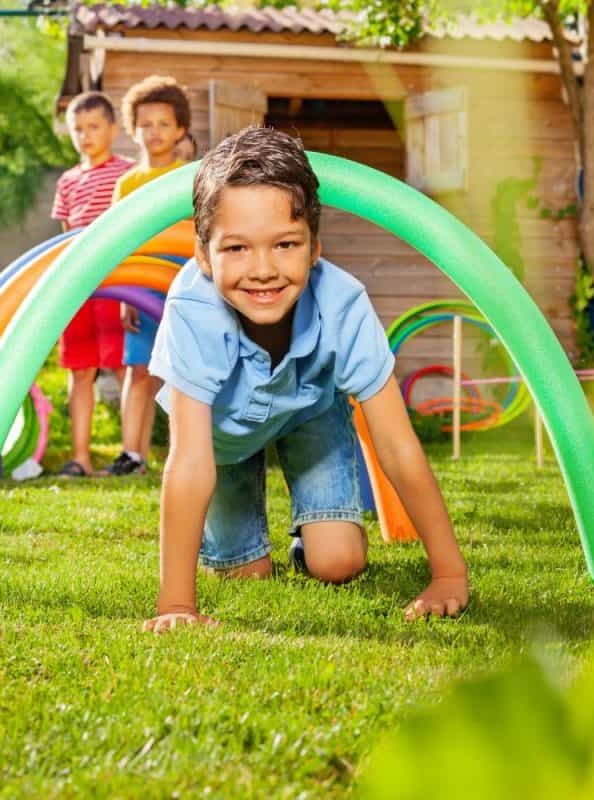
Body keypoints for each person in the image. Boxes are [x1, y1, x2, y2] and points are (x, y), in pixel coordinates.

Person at [142, 127, 470, 632]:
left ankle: (314, 536)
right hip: (221, 439)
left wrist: (449, 574)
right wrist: (176, 605)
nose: (264, 270)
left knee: (337, 564)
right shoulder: (193, 310)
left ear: (315, 246)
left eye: (285, 244)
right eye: (237, 249)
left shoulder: (343, 303)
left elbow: (398, 448)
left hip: (308, 413)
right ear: (203, 255)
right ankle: (239, 545)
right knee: (246, 574)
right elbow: (188, 462)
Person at [101, 76, 192, 477]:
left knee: (181, 373)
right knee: (138, 370)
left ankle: (184, 452)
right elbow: (120, 242)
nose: (154, 133)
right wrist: (126, 296)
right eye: (146, 124)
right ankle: (132, 454)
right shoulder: (128, 184)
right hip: (141, 287)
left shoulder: (189, 178)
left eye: (164, 124)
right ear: (133, 130)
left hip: (182, 287)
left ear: (181, 130)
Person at [51, 92, 134, 477]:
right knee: (81, 371)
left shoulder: (128, 173)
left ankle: (130, 455)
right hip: (79, 286)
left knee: (124, 366)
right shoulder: (67, 181)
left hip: (117, 284)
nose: (85, 136)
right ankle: (80, 457)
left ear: (113, 129)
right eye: (77, 130)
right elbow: (66, 236)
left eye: (94, 127)